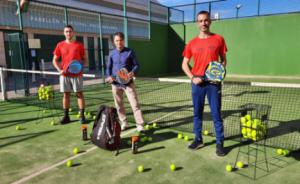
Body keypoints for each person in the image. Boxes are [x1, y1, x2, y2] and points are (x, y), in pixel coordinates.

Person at [181, 11, 227, 156]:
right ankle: (198, 139)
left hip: (213, 83)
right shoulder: (191, 43)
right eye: (200, 21)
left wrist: (219, 73)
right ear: (197, 23)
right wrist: (192, 78)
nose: (203, 23)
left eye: (206, 20)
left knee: (216, 114)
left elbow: (223, 60)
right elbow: (184, 64)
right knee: (197, 113)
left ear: (210, 21)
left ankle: (220, 143)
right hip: (197, 82)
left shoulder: (219, 39)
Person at [106, 32, 144, 132]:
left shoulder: (130, 51)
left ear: (124, 40)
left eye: (120, 40)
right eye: (117, 40)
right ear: (114, 42)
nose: (119, 42)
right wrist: (108, 76)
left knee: (135, 104)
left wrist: (133, 72)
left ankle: (139, 124)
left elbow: (137, 65)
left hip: (128, 83)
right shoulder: (112, 53)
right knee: (119, 105)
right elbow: (108, 67)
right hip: (115, 84)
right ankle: (124, 122)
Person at [52, 25, 88, 124]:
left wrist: (80, 68)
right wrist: (59, 70)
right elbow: (54, 60)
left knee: (79, 94)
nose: (68, 33)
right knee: (66, 95)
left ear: (73, 32)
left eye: (70, 31)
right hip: (64, 75)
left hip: (77, 75)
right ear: (64, 33)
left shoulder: (79, 45)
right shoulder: (60, 45)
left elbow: (85, 60)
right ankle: (66, 117)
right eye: (66, 31)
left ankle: (82, 116)